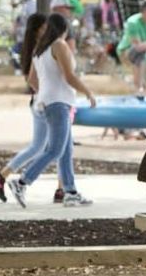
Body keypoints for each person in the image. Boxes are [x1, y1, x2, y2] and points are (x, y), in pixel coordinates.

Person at [6, 13, 97, 208]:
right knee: (55, 150)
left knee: (65, 150)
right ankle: (21, 182)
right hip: (59, 102)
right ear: (64, 29)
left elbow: (31, 80)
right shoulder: (59, 45)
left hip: (48, 101)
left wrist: (46, 93)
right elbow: (69, 76)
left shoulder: (40, 49)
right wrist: (88, 92)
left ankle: (70, 192)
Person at [0, 13, 67, 204]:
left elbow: (31, 79)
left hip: (38, 102)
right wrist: (50, 96)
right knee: (60, 147)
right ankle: (62, 189)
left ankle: (3, 175)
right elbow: (36, 79)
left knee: (41, 147)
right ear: (40, 29)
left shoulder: (34, 48)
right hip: (47, 103)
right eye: (46, 26)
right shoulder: (46, 48)